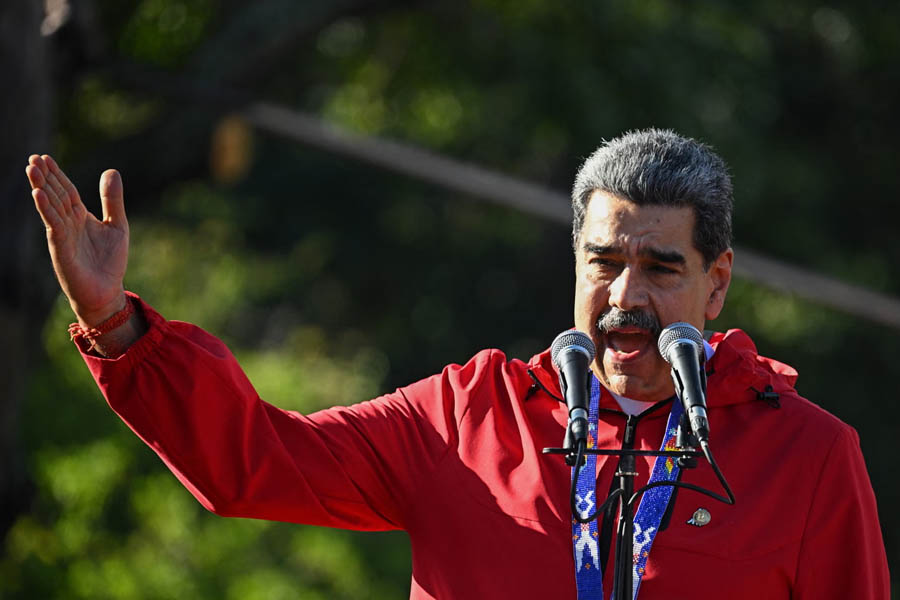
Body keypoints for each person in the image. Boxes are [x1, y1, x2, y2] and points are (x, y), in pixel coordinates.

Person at [26, 129, 890, 599]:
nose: (627, 295)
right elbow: (252, 461)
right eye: (604, 262)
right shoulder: (468, 415)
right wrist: (113, 322)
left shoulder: (810, 456)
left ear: (716, 285)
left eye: (662, 269)